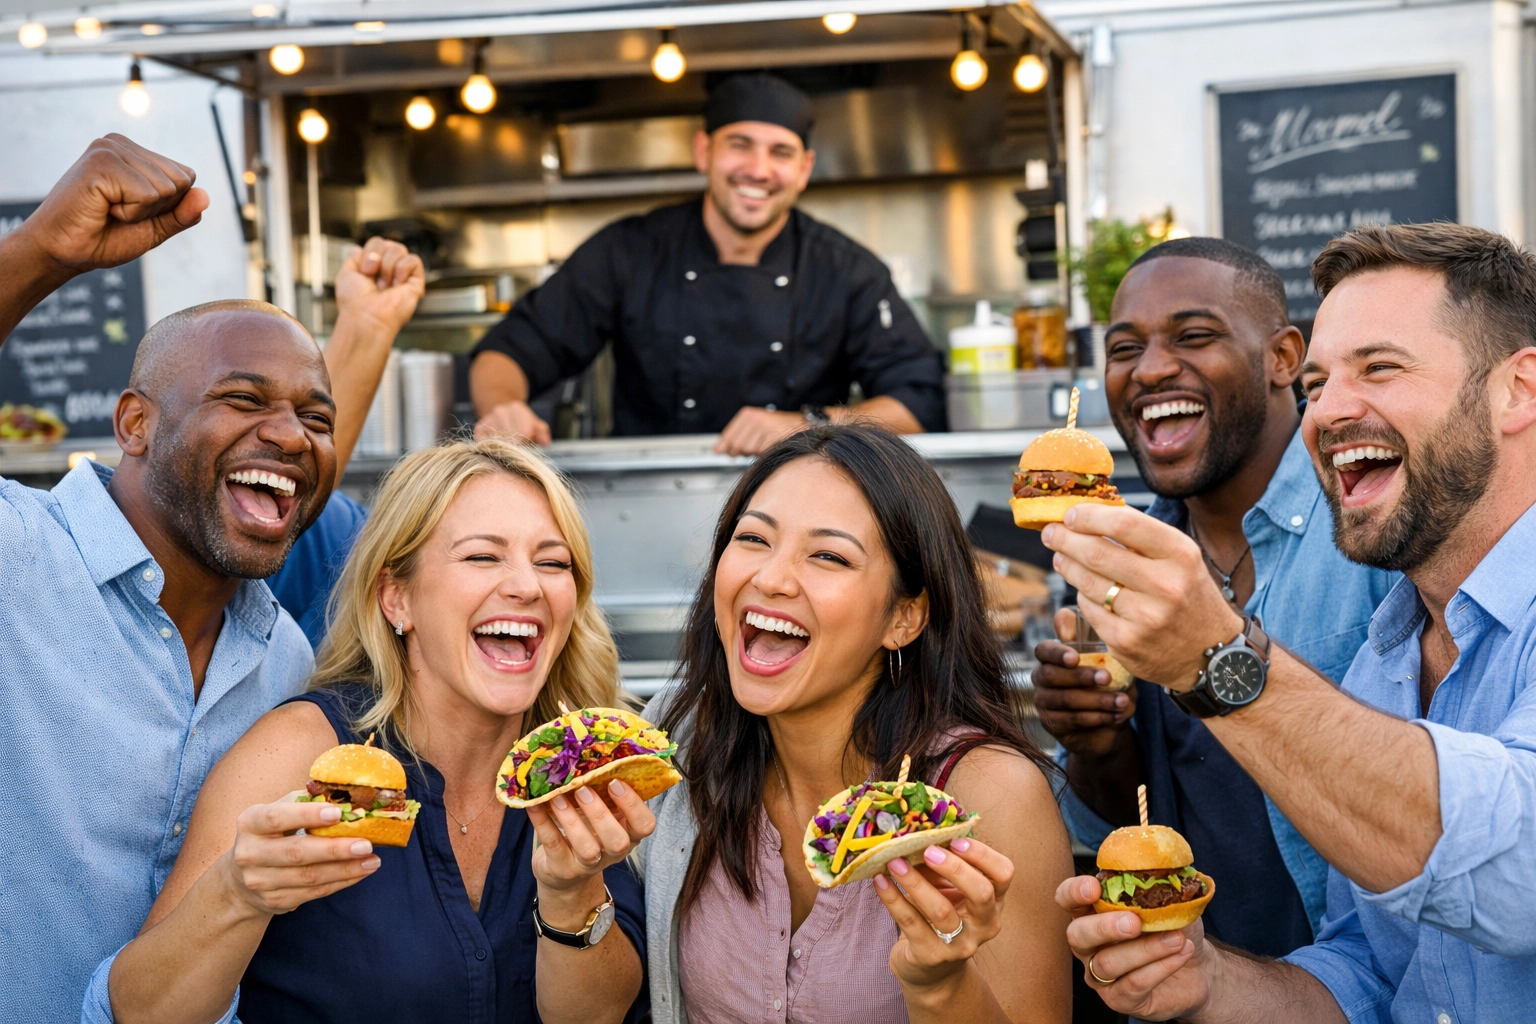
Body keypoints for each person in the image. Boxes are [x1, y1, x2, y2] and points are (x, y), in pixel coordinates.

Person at [1048, 222, 1536, 1023]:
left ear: (1517, 389)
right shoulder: (1389, 652)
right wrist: (1204, 980)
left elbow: (1516, 874)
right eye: (1317, 386)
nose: (1328, 413)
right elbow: (1370, 974)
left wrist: (1218, 660)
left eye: (1379, 368)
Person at [0, 135, 412, 1024]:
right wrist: (39, 252)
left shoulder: (281, 659)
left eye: (314, 417)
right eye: (241, 398)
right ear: (137, 424)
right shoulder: (18, 557)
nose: (294, 436)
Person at [87, 440, 649, 1024]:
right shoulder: (303, 756)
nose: (528, 586)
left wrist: (571, 892)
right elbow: (144, 1014)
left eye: (553, 563)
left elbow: (598, 1016)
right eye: (483, 557)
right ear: (395, 597)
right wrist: (237, 895)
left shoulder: (583, 767)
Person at [1031, 237, 1395, 957]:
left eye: (1193, 336)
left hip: (1363, 989)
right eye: (1123, 348)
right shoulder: (1117, 561)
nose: (1151, 368)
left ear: (1284, 359)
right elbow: (1130, 823)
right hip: (1189, 983)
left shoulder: (1375, 524)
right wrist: (1098, 743)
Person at [638, 425, 1073, 1024]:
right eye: (753, 539)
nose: (771, 578)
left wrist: (940, 983)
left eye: (828, 556)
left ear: (904, 616)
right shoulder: (676, 746)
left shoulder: (988, 797)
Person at [469, 73, 946, 455]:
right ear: (704, 152)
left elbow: (918, 402)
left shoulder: (845, 269)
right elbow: (508, 350)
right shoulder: (630, 250)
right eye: (740, 144)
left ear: (803, 170)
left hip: (800, 502)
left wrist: (805, 427)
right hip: (648, 499)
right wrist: (503, 408)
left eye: (781, 152)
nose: (758, 170)